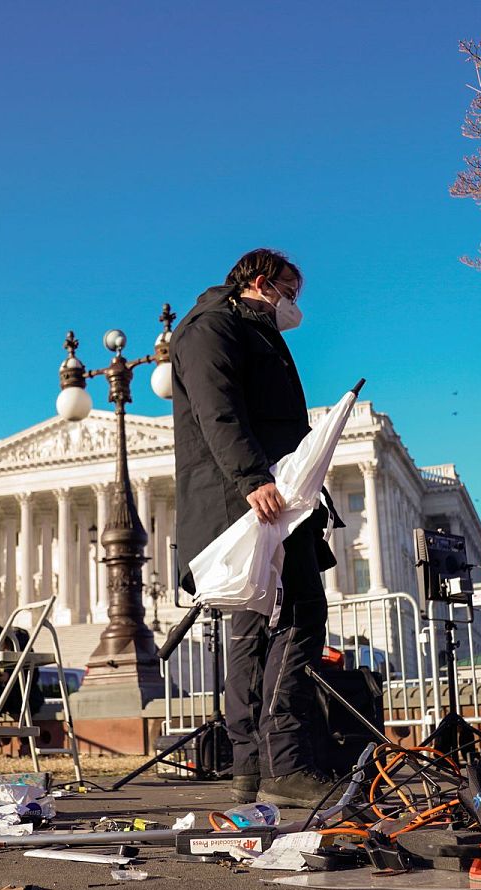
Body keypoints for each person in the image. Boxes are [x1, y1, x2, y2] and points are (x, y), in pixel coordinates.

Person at [170, 248, 339, 807]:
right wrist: (251, 477)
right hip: (250, 502)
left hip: (276, 497)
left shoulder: (253, 330)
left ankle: (257, 768)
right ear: (262, 283)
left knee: (261, 627)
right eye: (291, 292)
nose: (296, 306)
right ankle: (281, 763)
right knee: (293, 616)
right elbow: (218, 410)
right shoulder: (212, 326)